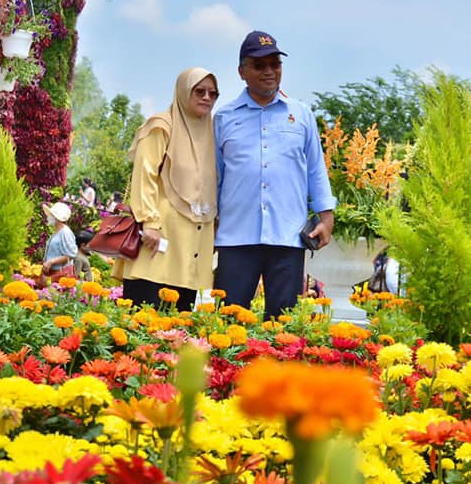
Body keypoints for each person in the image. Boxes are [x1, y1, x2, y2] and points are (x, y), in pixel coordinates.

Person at [214, 30, 336, 317]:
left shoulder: (302, 114)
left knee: (283, 328)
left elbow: (316, 168)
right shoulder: (224, 118)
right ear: (242, 72)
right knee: (227, 324)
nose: (269, 72)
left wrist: (327, 218)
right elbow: (215, 177)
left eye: (275, 64)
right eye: (259, 65)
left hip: (287, 236)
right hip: (236, 237)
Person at [121, 67, 219, 312]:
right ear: (184, 91)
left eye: (213, 94)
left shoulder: (211, 134)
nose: (207, 97)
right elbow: (144, 174)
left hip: (191, 244)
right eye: (199, 91)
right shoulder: (161, 126)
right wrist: (149, 223)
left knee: (177, 326)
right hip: (159, 238)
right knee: (144, 319)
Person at [41, 201, 78, 279]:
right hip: (52, 272)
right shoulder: (57, 231)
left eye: (51, 215)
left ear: (56, 217)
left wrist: (51, 262)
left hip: (60, 274)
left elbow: (71, 255)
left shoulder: (65, 233)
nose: (48, 217)